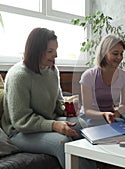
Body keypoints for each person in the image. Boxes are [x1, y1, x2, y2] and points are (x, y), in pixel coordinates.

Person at [1, 28, 97, 169]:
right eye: (50, 51)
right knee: (62, 142)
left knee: (84, 125)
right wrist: (54, 125)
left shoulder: (52, 70)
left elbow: (58, 102)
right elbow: (21, 121)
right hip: (20, 132)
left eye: (56, 50)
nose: (55, 55)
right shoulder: (19, 76)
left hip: (47, 121)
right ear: (36, 51)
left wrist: (67, 108)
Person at [79, 34, 125, 127]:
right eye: (115, 53)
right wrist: (104, 115)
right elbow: (87, 110)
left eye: (121, 54)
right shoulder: (88, 76)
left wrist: (116, 114)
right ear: (104, 53)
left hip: (110, 115)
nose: (120, 57)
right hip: (90, 117)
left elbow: (123, 105)